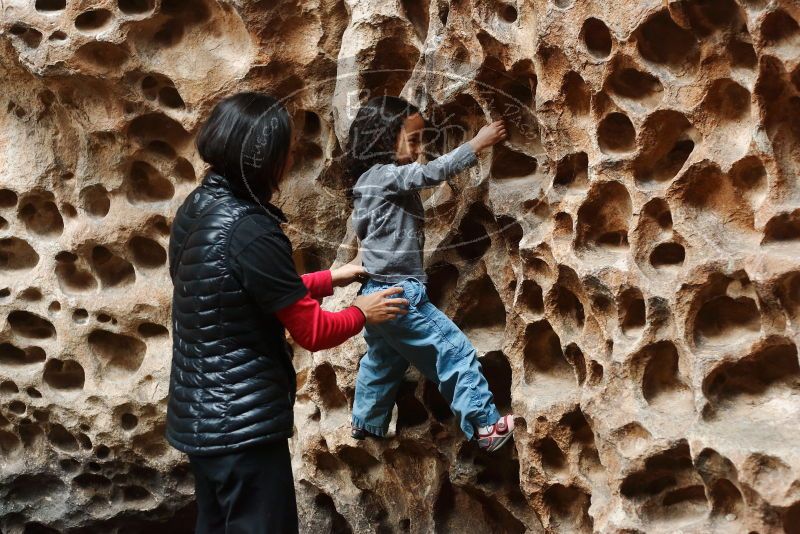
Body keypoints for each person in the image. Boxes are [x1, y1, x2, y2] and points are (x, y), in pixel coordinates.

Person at [165, 92, 409, 533]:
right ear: (263, 159)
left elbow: (237, 290)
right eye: (286, 148)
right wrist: (362, 311)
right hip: (243, 427)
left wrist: (328, 279)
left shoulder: (197, 208)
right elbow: (313, 331)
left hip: (199, 418)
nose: (293, 154)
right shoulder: (252, 229)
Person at [344, 95, 515, 452]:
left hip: (374, 292)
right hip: (398, 294)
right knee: (454, 353)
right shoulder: (386, 176)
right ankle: (485, 426)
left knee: (383, 360)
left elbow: (364, 230)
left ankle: (366, 423)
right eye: (414, 140)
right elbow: (427, 174)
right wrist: (476, 144)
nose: (420, 149)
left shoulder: (365, 184)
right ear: (381, 139)